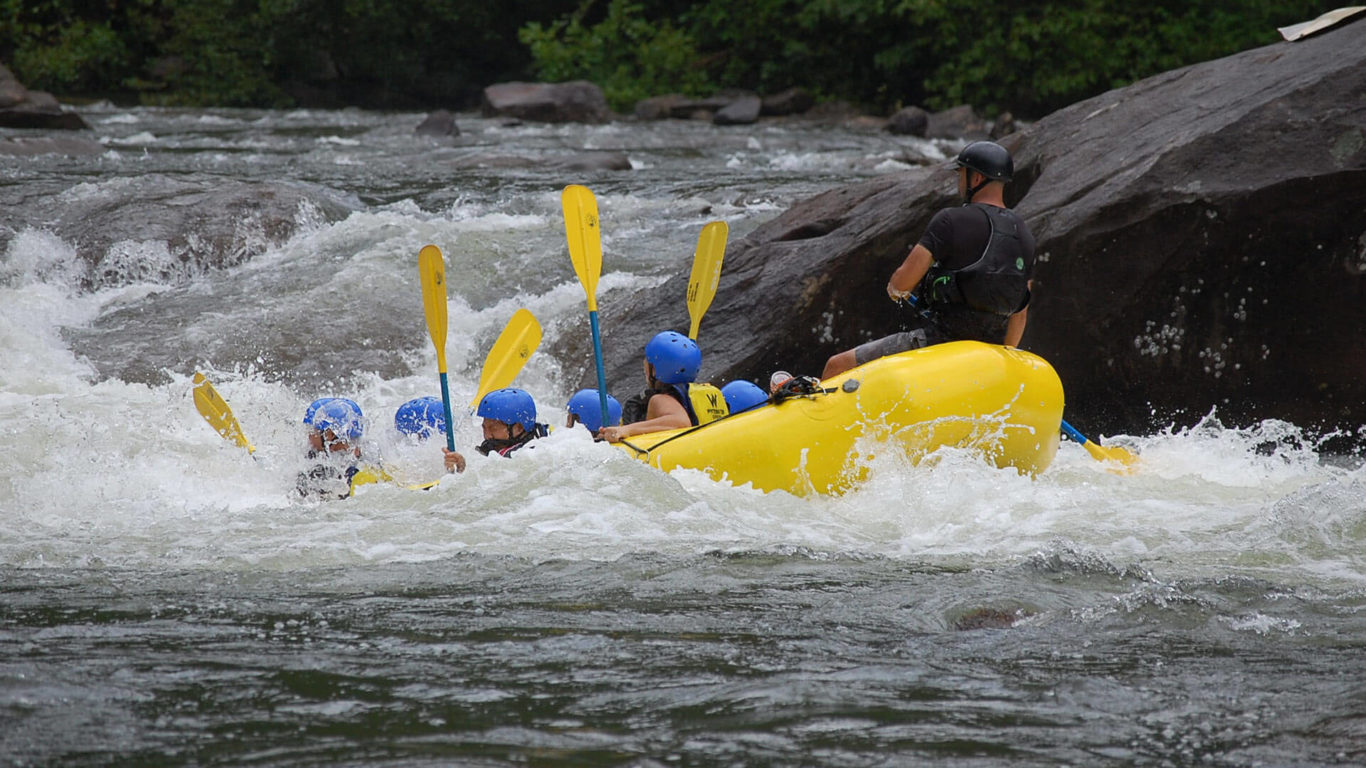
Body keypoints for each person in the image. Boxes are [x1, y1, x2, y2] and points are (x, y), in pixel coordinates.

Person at [822, 140, 1036, 379]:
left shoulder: (950, 220)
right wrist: (1003, 358)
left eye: (961, 175)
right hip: (989, 352)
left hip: (939, 342)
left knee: (837, 366)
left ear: (976, 179)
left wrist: (895, 289)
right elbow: (1020, 311)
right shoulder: (1024, 233)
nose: (958, 182)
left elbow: (902, 283)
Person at [599, 331, 728, 443]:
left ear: (654, 370)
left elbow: (680, 423)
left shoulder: (660, 400)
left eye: (648, 360)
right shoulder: (707, 394)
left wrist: (625, 430)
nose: (644, 363)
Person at [442, 387, 548, 472]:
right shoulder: (493, 446)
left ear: (519, 427)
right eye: (484, 427)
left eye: (493, 428)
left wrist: (465, 470)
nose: (487, 435)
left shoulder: (533, 453)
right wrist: (460, 465)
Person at [297, 397, 378, 499]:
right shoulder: (369, 455)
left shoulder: (359, 477)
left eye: (311, 431)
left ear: (329, 434)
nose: (308, 436)